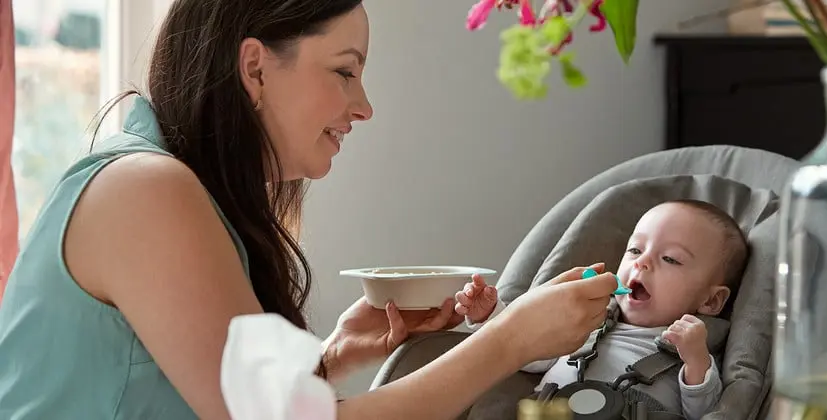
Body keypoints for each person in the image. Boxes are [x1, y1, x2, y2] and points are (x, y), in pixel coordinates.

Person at [0, 1, 620, 419]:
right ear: (255, 68)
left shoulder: (173, 187)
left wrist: (335, 356)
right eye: (345, 72)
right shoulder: (145, 190)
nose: (364, 106)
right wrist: (509, 341)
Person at [456, 199, 750, 420]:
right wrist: (491, 314)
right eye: (635, 250)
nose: (641, 263)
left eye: (671, 259)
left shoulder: (693, 347)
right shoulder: (583, 321)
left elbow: (707, 412)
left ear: (710, 301)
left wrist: (697, 360)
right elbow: (526, 352)